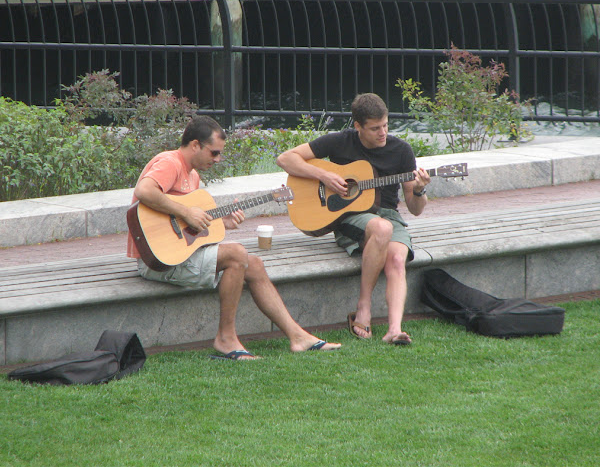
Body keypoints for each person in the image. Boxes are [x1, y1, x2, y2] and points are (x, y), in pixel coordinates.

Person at [127, 115, 341, 360]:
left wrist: (222, 222)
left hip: (175, 254)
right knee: (237, 253)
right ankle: (226, 339)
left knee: (255, 264)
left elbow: (186, 229)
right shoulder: (170, 162)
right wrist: (186, 211)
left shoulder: (193, 176)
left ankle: (298, 337)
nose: (218, 159)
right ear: (195, 145)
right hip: (155, 261)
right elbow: (144, 191)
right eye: (214, 153)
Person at [276, 93, 431, 345]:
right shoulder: (340, 142)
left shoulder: (402, 151)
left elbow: (415, 209)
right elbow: (285, 158)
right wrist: (324, 176)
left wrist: (421, 189)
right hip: (351, 216)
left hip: (389, 214)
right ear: (357, 126)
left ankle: (394, 330)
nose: (382, 133)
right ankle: (364, 307)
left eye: (385, 125)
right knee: (381, 229)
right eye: (374, 128)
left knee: (396, 257)